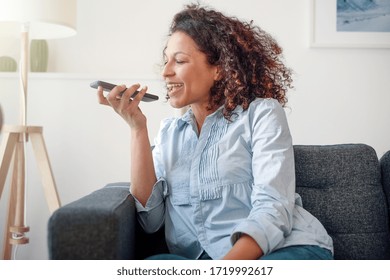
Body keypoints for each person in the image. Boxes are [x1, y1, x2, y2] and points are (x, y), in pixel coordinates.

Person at [97, 4, 333, 260]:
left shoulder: (262, 114)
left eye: (179, 60)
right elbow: (150, 221)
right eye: (166, 60)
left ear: (219, 67)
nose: (165, 72)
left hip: (280, 249)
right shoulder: (170, 134)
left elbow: (272, 208)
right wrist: (137, 128)